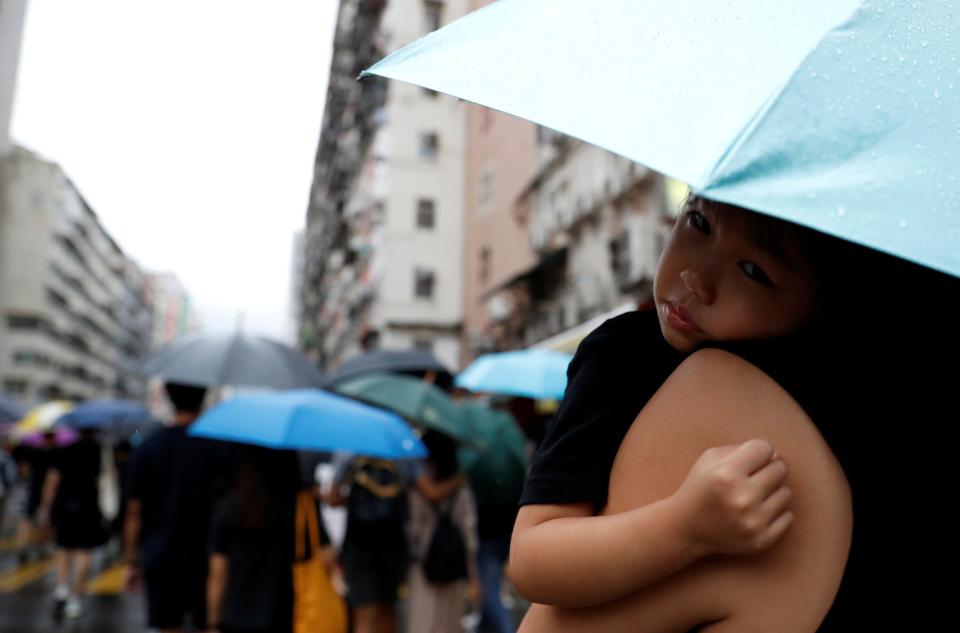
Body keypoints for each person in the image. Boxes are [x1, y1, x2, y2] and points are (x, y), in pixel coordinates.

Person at [510, 193, 937, 631]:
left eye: (753, 271)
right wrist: (685, 526)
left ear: (818, 309)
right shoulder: (621, 355)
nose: (696, 277)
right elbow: (532, 558)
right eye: (698, 222)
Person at [124, 382, 232, 633]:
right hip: (209, 555)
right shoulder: (219, 447)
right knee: (208, 623)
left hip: (161, 554)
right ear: (203, 399)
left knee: (168, 626)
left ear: (170, 400)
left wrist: (132, 560)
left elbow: (134, 511)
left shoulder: (149, 447)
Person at [206, 446, 336, 633]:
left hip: (237, 613)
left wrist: (213, 621)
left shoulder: (230, 507)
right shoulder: (301, 505)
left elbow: (218, 573)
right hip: (290, 611)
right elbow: (326, 554)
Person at [325, 453, 412, 633]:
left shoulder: (348, 453)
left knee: (364, 616)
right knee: (388, 612)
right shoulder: (401, 453)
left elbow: (332, 498)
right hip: (393, 543)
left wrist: (357, 501)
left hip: (359, 543)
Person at [405, 430, 479, 633]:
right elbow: (469, 534)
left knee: (423, 621)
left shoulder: (415, 486)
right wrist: (473, 578)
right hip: (453, 566)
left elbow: (411, 528)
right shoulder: (461, 488)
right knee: (449, 623)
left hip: (422, 563)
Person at [38, 427, 107, 620]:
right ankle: (75, 598)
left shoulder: (64, 450)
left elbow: (52, 481)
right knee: (84, 552)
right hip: (89, 506)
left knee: (63, 548)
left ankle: (61, 587)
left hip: (65, 505)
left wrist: (45, 508)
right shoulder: (100, 451)